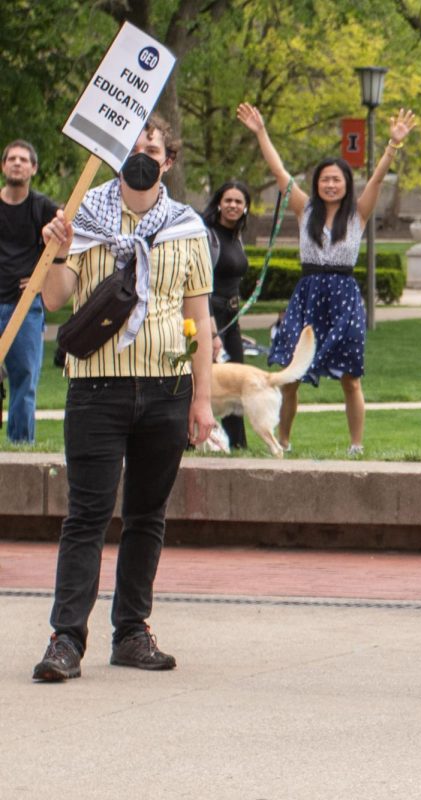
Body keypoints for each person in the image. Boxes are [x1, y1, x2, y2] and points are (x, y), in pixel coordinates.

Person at [31, 115, 217, 681]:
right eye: (133, 146)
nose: (142, 154)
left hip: (166, 387)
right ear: (116, 155)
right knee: (86, 515)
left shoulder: (187, 228)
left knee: (146, 516)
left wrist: (201, 399)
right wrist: (57, 252)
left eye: (152, 147)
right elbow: (58, 298)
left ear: (169, 160)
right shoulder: (82, 215)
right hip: (96, 387)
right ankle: (66, 639)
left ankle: (132, 631)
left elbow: (200, 317)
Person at [236, 102, 416, 456]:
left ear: (346, 184)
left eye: (337, 179)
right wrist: (261, 133)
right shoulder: (304, 208)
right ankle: (284, 440)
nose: (331, 184)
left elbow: (378, 178)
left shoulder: (359, 213)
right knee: (291, 376)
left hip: (345, 295)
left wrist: (393, 145)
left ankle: (356, 445)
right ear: (317, 184)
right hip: (308, 293)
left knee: (351, 378)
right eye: (325, 179)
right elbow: (280, 173)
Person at [0, 140, 58, 444]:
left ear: (33, 168)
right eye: (12, 158)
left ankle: (21, 447)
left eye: (24, 159)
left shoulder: (44, 208)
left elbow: (68, 246)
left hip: (25, 307)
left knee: (25, 380)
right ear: (3, 166)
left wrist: (44, 278)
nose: (17, 163)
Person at [200, 180, 252, 449]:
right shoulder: (208, 236)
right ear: (219, 203)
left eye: (238, 202)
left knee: (237, 381)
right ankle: (200, 439)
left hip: (232, 317)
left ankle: (239, 445)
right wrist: (211, 331)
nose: (233, 205)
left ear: (245, 208)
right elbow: (200, 285)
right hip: (210, 316)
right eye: (228, 200)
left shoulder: (237, 236)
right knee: (210, 382)